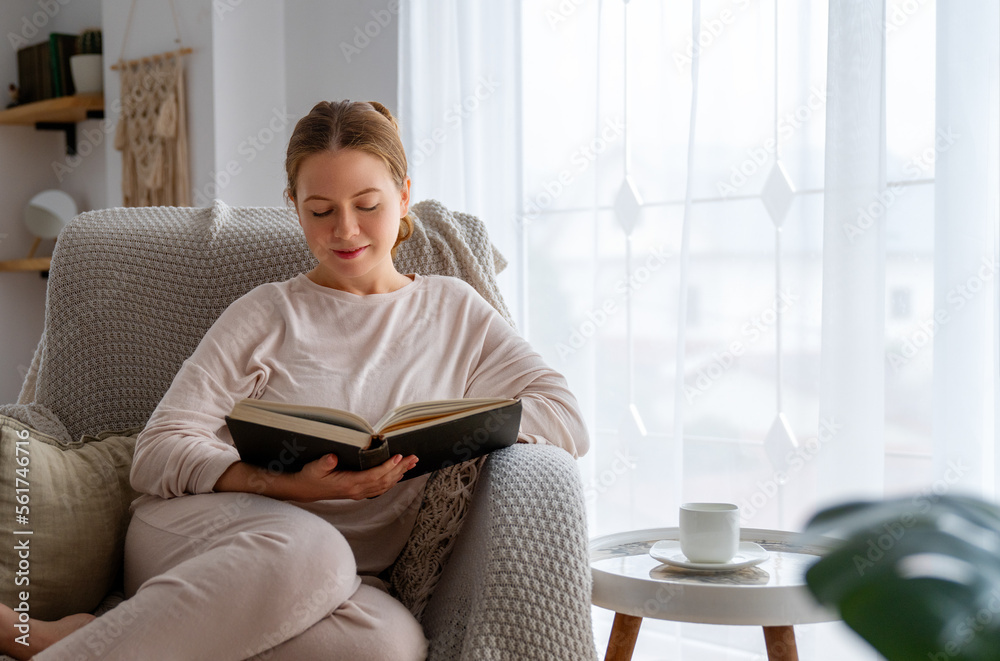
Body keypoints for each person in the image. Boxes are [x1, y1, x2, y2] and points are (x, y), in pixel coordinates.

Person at [0, 100, 588, 660]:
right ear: (294, 206)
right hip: (204, 535)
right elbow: (155, 455)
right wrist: (286, 486)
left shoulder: (454, 309)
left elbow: (564, 416)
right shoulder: (265, 313)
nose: (346, 231)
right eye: (321, 210)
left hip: (350, 581)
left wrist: (450, 432)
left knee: (390, 648)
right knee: (314, 548)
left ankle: (119, 635)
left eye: (368, 205)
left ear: (404, 197)